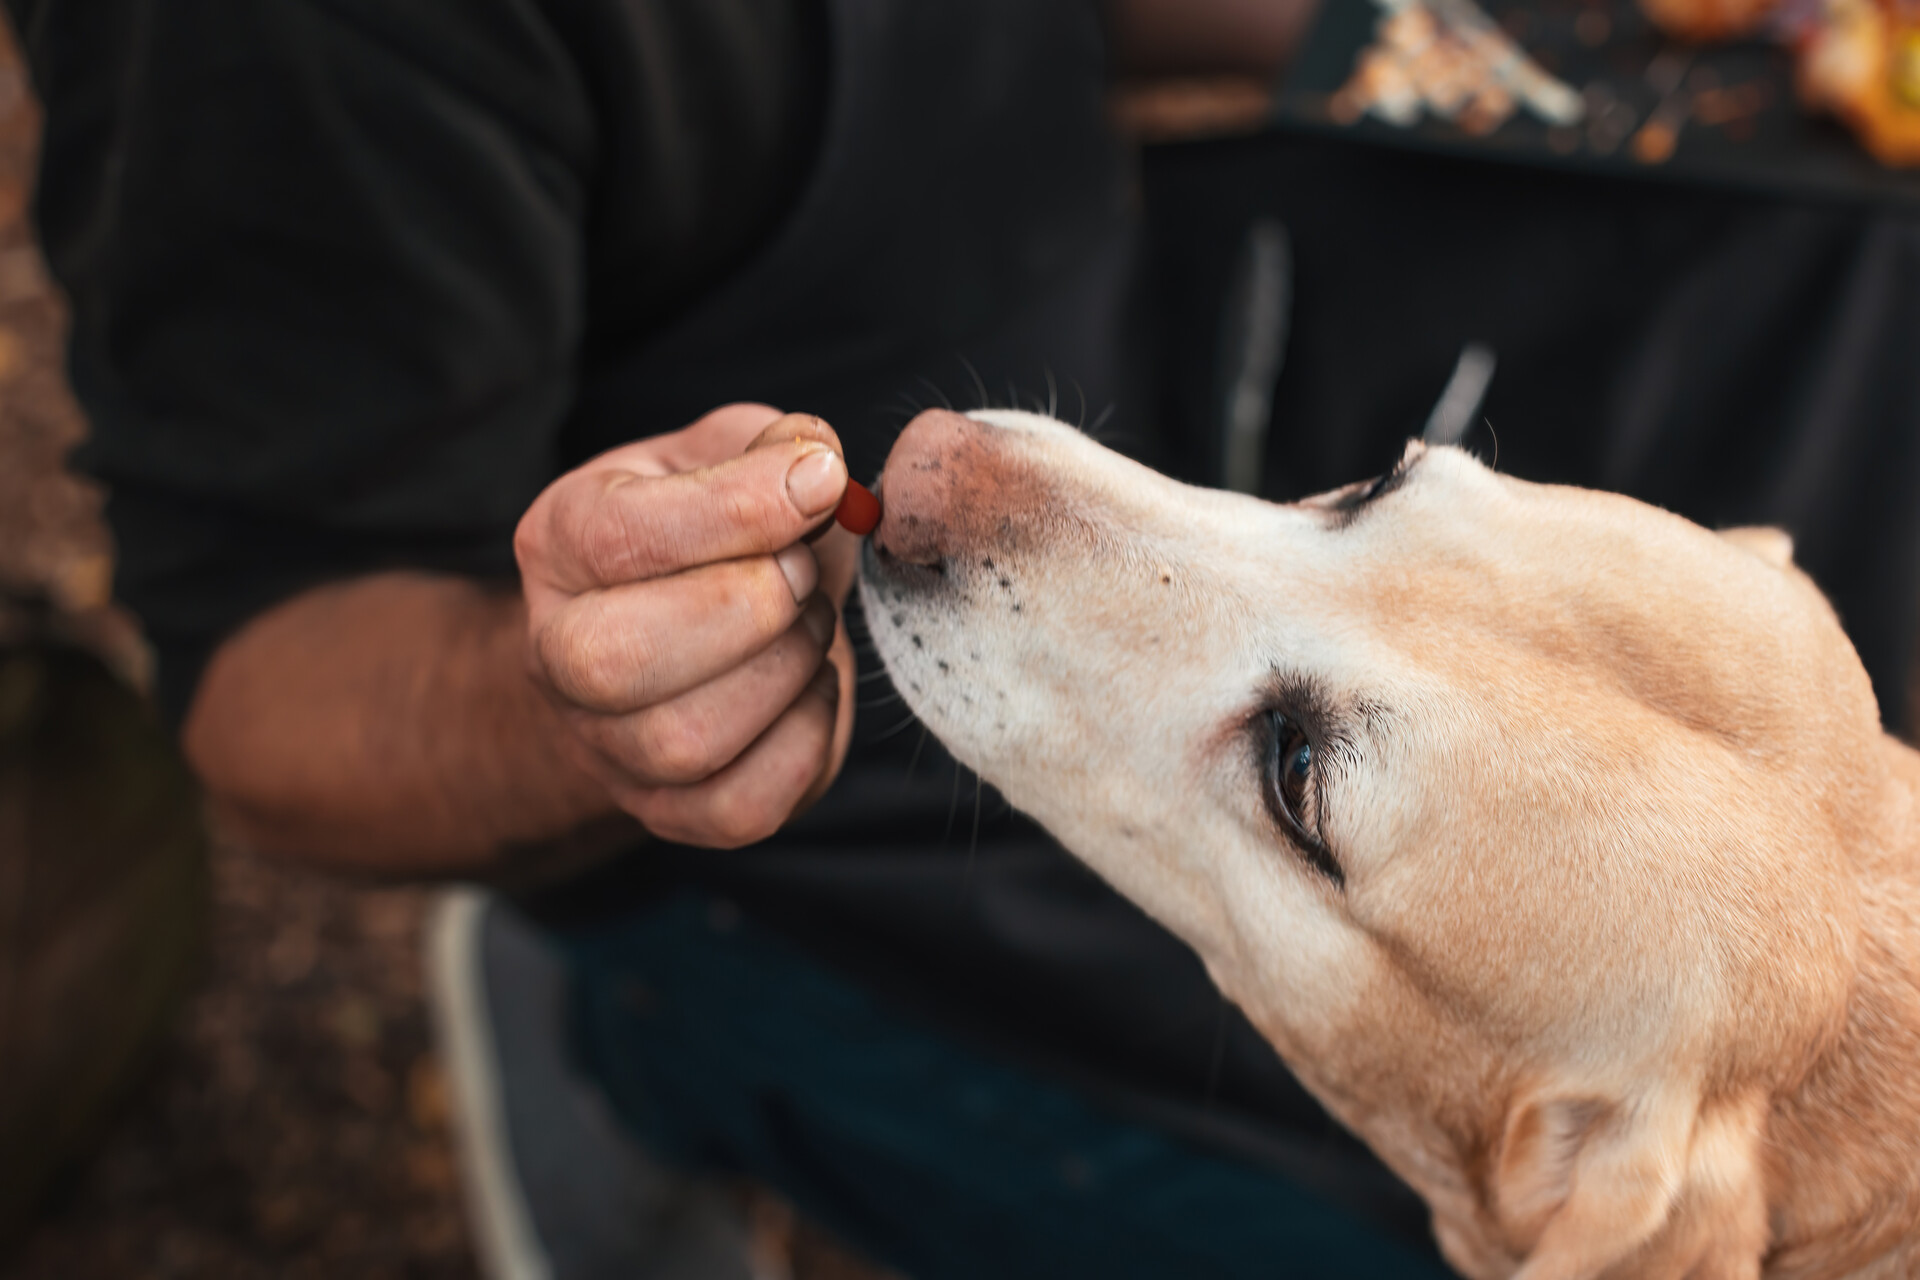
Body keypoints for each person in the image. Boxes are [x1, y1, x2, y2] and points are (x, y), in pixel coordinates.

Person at [10, 0, 1454, 1275]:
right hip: (809, 855)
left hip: (1136, 384)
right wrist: (586, 722)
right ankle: (620, 1025)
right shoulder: (257, 45)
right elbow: (265, 671)